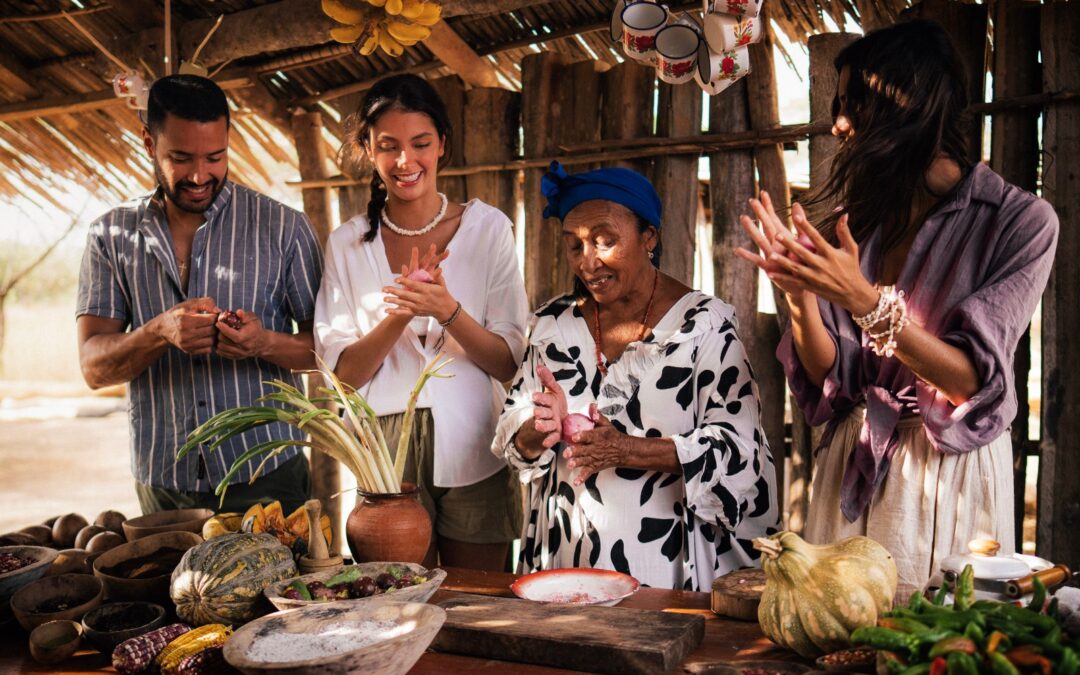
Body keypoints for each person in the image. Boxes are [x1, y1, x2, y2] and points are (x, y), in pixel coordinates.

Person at [735, 20, 1058, 597]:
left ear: (908, 103)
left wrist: (864, 301)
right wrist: (800, 297)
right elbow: (833, 380)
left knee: (934, 635)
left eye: (853, 105)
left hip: (945, 472)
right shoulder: (861, 225)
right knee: (838, 628)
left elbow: (969, 381)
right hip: (853, 463)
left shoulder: (1019, 221)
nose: (838, 125)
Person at [492, 162, 779, 591]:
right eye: (574, 245)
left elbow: (740, 452)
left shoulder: (703, 326)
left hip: (667, 569)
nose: (588, 261)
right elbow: (514, 439)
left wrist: (627, 449)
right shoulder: (553, 324)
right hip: (568, 562)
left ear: (649, 237)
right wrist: (539, 427)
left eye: (605, 240)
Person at [76, 75, 322, 516]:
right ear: (149, 143)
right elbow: (94, 369)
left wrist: (263, 343)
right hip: (164, 483)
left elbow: (327, 352)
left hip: (268, 472)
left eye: (215, 157)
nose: (199, 175)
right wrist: (158, 332)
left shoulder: (284, 227)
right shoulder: (110, 236)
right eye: (181, 158)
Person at [314, 74, 528, 571]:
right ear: (368, 149)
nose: (405, 160)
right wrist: (402, 313)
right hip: (383, 453)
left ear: (442, 145)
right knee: (398, 598)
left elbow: (509, 363)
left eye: (420, 143)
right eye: (388, 145)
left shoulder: (488, 229)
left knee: (478, 598)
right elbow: (342, 378)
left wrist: (447, 310)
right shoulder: (347, 244)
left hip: (478, 440)